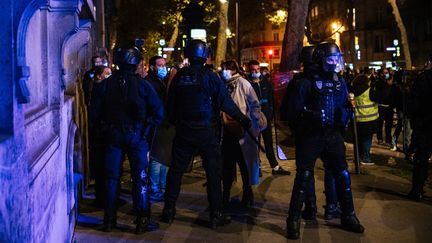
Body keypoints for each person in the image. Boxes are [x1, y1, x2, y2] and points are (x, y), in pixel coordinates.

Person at [161, 39, 252, 229]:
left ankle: (168, 211)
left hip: (185, 131)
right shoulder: (210, 76)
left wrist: (175, 122)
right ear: (205, 56)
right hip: (207, 132)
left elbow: (170, 104)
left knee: (176, 171)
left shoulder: (180, 76)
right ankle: (216, 214)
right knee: (213, 173)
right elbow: (225, 102)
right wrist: (242, 119)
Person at [285, 42, 364, 239]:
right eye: (330, 59)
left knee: (343, 175)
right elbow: (291, 113)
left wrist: (344, 114)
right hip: (311, 136)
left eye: (336, 59)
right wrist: (310, 116)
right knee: (303, 177)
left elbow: (347, 105)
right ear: (320, 60)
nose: (334, 62)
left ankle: (349, 215)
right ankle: (293, 220)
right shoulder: (305, 82)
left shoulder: (340, 82)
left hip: (333, 136)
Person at [89, 46, 164, 234]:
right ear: (137, 63)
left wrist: (104, 130)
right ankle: (142, 220)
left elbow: (94, 114)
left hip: (113, 135)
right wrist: (146, 130)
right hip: (136, 135)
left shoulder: (105, 84)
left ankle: (109, 220)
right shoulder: (143, 85)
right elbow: (158, 112)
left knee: (112, 178)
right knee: (140, 178)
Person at [220, 60, 267, 211]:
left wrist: (252, 122)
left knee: (244, 164)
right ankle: (225, 194)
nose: (223, 71)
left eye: (225, 69)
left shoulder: (243, 84)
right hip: (227, 130)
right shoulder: (224, 84)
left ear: (232, 69)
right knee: (227, 165)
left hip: (243, 131)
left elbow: (254, 104)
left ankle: (248, 195)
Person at [246, 60, 290, 176]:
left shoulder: (265, 82)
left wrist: (270, 112)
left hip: (266, 117)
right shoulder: (247, 83)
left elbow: (270, 98)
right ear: (249, 71)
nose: (256, 72)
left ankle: (275, 167)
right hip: (254, 118)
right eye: (253, 70)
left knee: (269, 143)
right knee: (255, 144)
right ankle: (257, 166)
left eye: (257, 69)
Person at [145, 56, 174, 202]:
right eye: (160, 65)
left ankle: (162, 186)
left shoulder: (161, 81)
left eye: (164, 65)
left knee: (164, 157)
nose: (163, 68)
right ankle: (155, 187)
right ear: (151, 67)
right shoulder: (150, 83)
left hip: (164, 124)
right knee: (156, 158)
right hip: (156, 125)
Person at [407, 56, 432, 201]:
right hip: (425, 123)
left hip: (425, 125)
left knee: (421, 158)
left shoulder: (423, 79)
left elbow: (414, 103)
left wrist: (416, 120)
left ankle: (417, 189)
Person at [88, 65, 112, 207]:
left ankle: (103, 197)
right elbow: (95, 114)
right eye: (107, 73)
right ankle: (101, 198)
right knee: (102, 168)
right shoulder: (99, 89)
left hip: (102, 133)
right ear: (99, 76)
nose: (110, 76)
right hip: (101, 134)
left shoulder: (104, 88)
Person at [349, 74, 379, 165]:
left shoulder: (352, 91)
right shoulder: (369, 91)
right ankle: (366, 158)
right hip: (369, 119)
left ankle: (359, 157)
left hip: (358, 120)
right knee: (367, 139)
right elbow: (379, 98)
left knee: (359, 139)